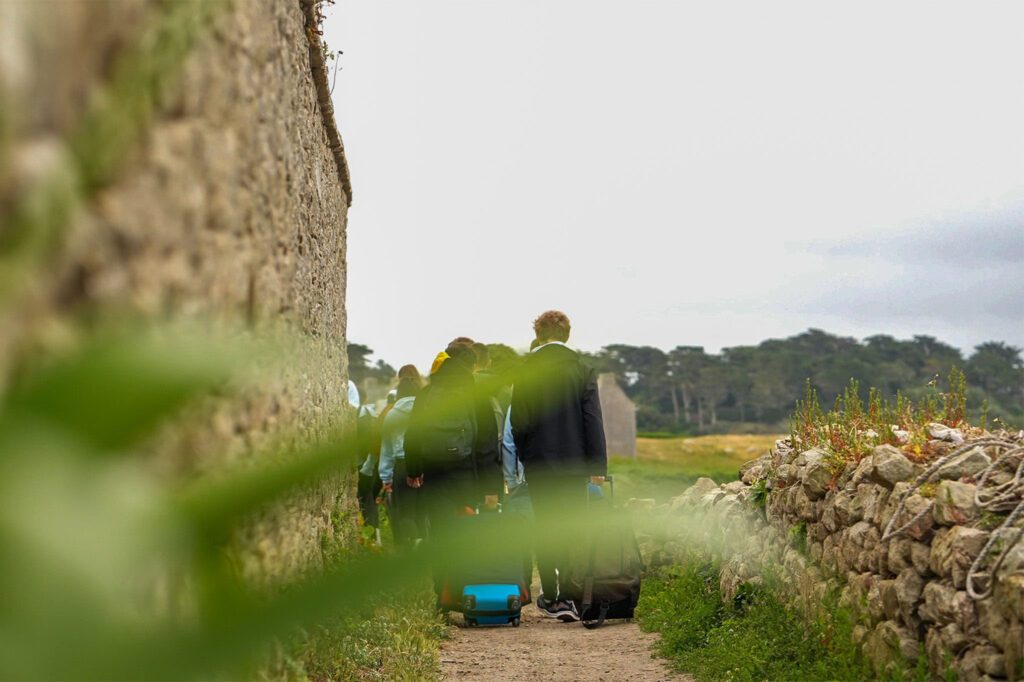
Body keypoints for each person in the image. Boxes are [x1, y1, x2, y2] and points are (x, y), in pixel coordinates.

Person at [511, 310, 607, 621]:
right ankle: (572, 591)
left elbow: (519, 422)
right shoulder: (582, 369)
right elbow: (592, 420)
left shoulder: (526, 369)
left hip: (539, 462)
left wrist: (526, 456)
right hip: (575, 463)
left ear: (538, 335)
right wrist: (597, 466)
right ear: (567, 336)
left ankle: (552, 597)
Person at [404, 338, 502, 605]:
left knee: (438, 534)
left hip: (434, 475)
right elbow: (486, 445)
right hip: (466, 478)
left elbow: (413, 434)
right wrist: (492, 487)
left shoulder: (427, 393)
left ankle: (442, 595)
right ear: (470, 366)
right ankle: (463, 592)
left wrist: (414, 470)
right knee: (465, 534)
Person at [378, 365, 424, 546]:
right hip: (424, 463)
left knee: (405, 511)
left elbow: (387, 449)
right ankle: (424, 542)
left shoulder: (392, 415)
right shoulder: (425, 410)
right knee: (424, 509)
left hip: (402, 466)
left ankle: (409, 545)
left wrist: (386, 477)